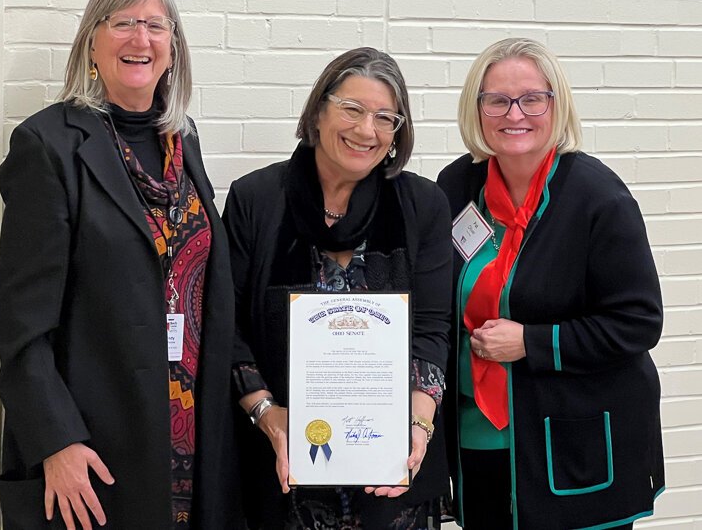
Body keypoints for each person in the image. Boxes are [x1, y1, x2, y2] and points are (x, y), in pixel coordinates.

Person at [0, 0, 242, 528]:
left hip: (191, 439)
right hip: (95, 453)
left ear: (173, 49)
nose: (140, 40)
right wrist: (56, 442)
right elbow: (22, 327)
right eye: (123, 23)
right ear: (92, 43)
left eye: (156, 26)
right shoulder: (48, 145)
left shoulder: (183, 141)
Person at [437, 37, 665, 529]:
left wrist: (531, 342)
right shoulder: (455, 188)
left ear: (555, 104)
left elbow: (638, 322)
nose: (513, 113)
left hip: (573, 443)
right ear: (476, 109)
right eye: (496, 99)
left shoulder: (597, 196)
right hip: (478, 438)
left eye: (531, 99)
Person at [223, 47, 454, 529]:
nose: (366, 129)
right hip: (285, 475)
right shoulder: (256, 200)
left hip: (394, 481)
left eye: (384, 117)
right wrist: (267, 413)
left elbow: (433, 327)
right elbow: (229, 327)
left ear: (396, 133)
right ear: (319, 111)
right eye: (352, 109)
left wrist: (419, 422)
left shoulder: (423, 204)